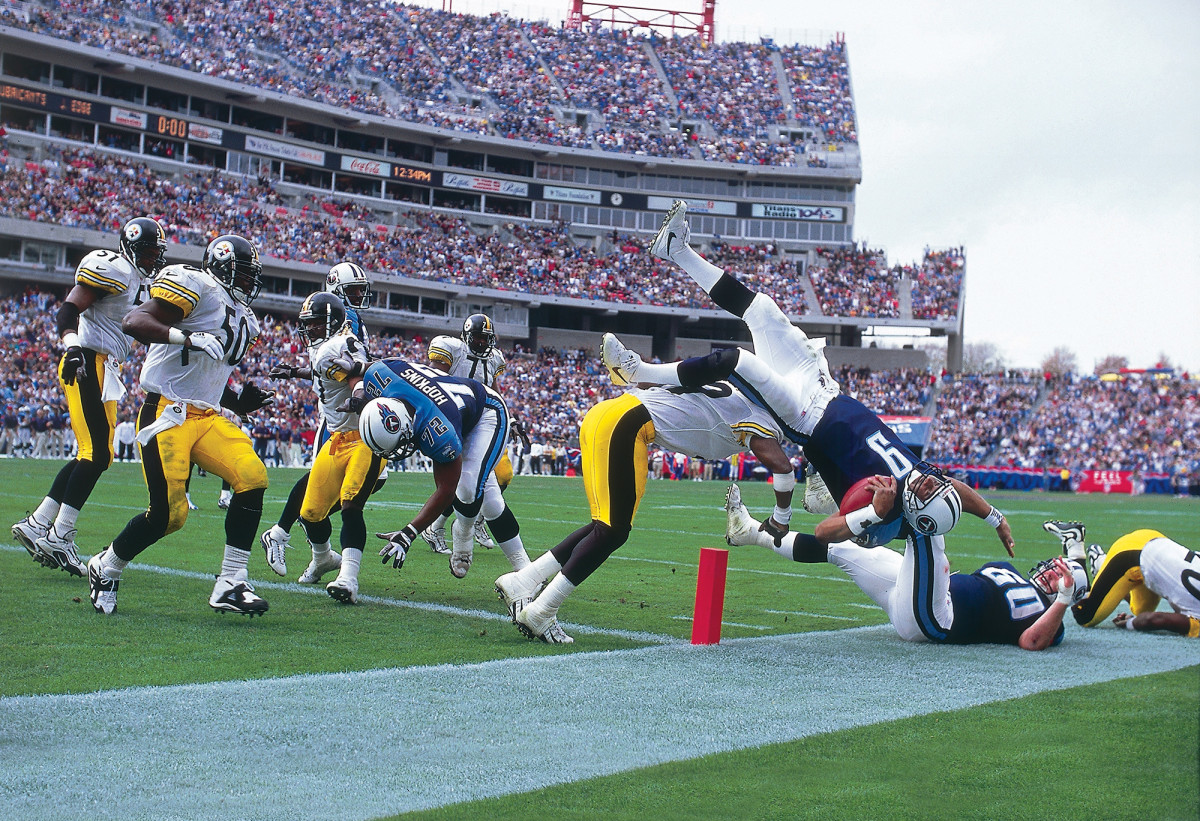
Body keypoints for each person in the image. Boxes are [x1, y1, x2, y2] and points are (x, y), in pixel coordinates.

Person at [602, 200, 1011, 552]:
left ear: (915, 508)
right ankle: (676, 250)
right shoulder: (927, 488)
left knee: (737, 361)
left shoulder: (879, 504)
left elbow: (825, 531)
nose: (930, 482)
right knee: (762, 310)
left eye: (926, 491)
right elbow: (954, 489)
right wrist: (995, 518)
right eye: (934, 485)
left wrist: (873, 511)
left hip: (803, 418)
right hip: (823, 388)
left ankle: (639, 373)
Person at [493, 380, 797, 644]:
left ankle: (524, 580)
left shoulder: (733, 390)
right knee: (612, 531)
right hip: (628, 424)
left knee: (606, 526)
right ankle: (543, 610)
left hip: (608, 413)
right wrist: (781, 517)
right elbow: (783, 468)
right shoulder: (760, 416)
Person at [85, 234, 275, 616]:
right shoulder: (198, 284)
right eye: (243, 272)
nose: (248, 281)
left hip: (206, 415)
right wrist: (186, 336)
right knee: (170, 516)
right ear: (221, 266)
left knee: (252, 476)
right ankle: (105, 566)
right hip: (166, 412)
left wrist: (240, 402)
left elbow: (208, 373)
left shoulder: (244, 317)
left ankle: (231, 581)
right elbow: (134, 320)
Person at [725, 476, 1078, 649]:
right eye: (1057, 566)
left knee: (925, 519)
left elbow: (1031, 642)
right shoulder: (1011, 571)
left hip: (938, 621)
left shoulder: (1053, 621)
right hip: (918, 597)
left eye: (1065, 575)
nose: (1054, 572)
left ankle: (838, 502)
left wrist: (1062, 600)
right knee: (840, 549)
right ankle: (752, 531)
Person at [12, 216, 166, 576]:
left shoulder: (142, 281)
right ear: (130, 247)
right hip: (85, 361)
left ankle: (40, 522)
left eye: (156, 252)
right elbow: (68, 310)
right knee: (95, 454)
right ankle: (59, 534)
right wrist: (71, 347)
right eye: (147, 251)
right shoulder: (112, 268)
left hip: (106, 367)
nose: (151, 258)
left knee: (98, 454)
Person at [354, 358, 533, 582]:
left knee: (467, 489)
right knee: (491, 502)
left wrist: (409, 533)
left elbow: (446, 490)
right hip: (454, 411)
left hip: (485, 413)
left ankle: (464, 533)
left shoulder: (437, 429)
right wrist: (358, 398)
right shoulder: (380, 375)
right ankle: (527, 572)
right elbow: (361, 370)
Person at [263, 292, 381, 603]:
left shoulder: (337, 343)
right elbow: (330, 375)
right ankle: (324, 557)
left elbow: (357, 374)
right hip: (338, 439)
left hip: (366, 437)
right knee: (311, 513)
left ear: (332, 322)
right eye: (307, 325)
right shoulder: (329, 347)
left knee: (350, 503)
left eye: (315, 324)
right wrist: (294, 372)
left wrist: (358, 396)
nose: (309, 330)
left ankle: (348, 578)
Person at [422, 313, 515, 554]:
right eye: (478, 337)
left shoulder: (494, 359)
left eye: (486, 338)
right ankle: (437, 527)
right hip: (456, 425)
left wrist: (511, 419)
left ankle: (478, 519)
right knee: (459, 483)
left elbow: (494, 391)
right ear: (466, 335)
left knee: (503, 474)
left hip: (482, 426)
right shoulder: (453, 351)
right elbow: (433, 382)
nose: (482, 343)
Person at [1043, 521, 1200, 638]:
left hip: (1153, 540)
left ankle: (1103, 564)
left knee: (1140, 612)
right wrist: (1129, 624)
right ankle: (1074, 544)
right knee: (1085, 616)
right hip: (1130, 557)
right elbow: (1156, 620)